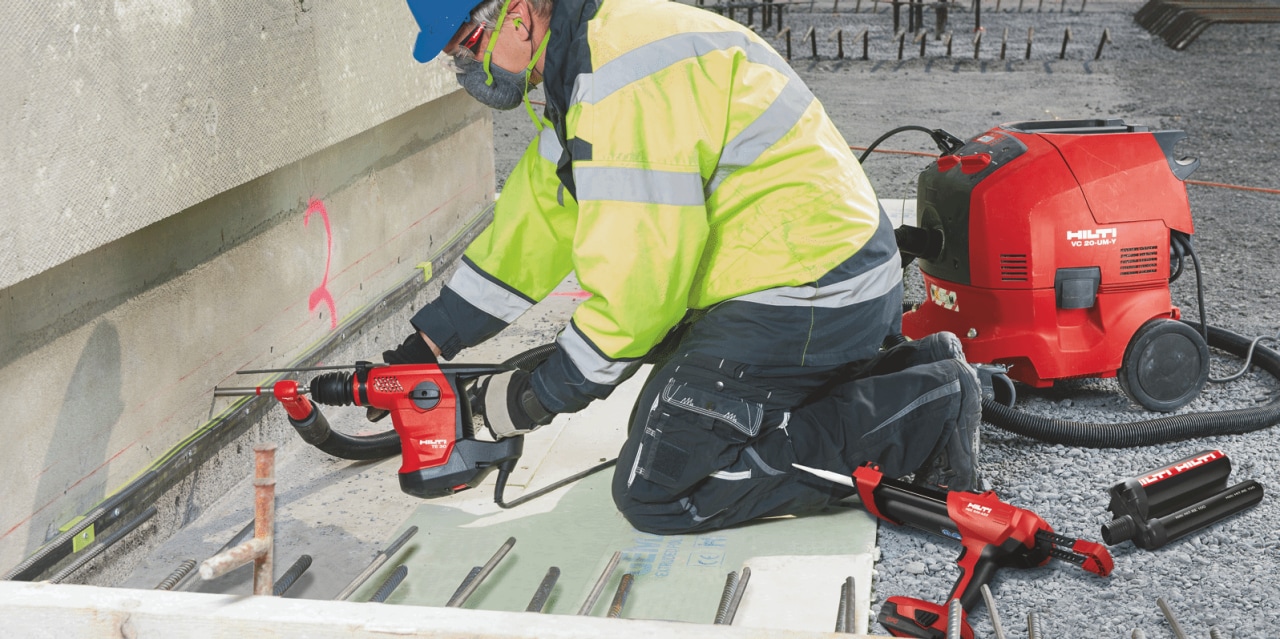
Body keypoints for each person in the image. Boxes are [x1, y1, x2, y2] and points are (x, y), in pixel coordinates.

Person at [390, 0, 983, 534]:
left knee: (660, 487)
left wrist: (537, 396)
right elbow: (540, 219)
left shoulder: (618, 86)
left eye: (468, 47)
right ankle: (904, 372)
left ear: (517, 16)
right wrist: (434, 337)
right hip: (818, 272)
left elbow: (639, 289)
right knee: (666, 421)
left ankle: (928, 407)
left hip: (809, 292)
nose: (467, 70)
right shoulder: (589, 59)